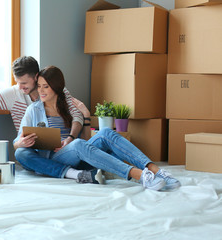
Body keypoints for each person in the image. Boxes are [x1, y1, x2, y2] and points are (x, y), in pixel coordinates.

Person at [14, 66, 181, 191]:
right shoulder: (34, 110)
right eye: (40, 86)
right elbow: (16, 142)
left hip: (76, 151)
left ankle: (155, 170)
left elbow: (86, 138)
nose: (41, 91)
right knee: (24, 152)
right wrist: (21, 142)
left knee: (106, 132)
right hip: (56, 157)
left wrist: (82, 120)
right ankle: (139, 175)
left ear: (56, 87)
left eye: (46, 87)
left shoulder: (69, 105)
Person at [0, 56, 83, 149]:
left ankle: (62, 170)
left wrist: (71, 138)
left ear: (36, 77)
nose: (20, 87)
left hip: (60, 147)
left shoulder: (54, 90)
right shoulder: (14, 94)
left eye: (24, 83)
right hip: (31, 150)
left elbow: (77, 115)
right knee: (21, 154)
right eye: (18, 82)